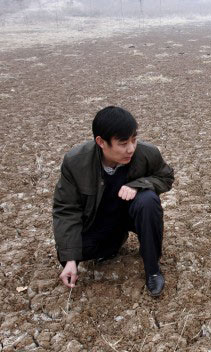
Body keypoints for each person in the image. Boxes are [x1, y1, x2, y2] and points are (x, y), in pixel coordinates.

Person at [52, 106, 174, 296]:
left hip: (131, 215)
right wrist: (70, 260)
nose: (131, 148)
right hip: (99, 219)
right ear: (101, 142)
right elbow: (66, 209)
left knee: (148, 200)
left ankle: (153, 270)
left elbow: (166, 178)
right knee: (71, 252)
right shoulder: (75, 162)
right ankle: (111, 245)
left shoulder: (146, 154)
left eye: (134, 139)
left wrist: (138, 185)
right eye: (123, 143)